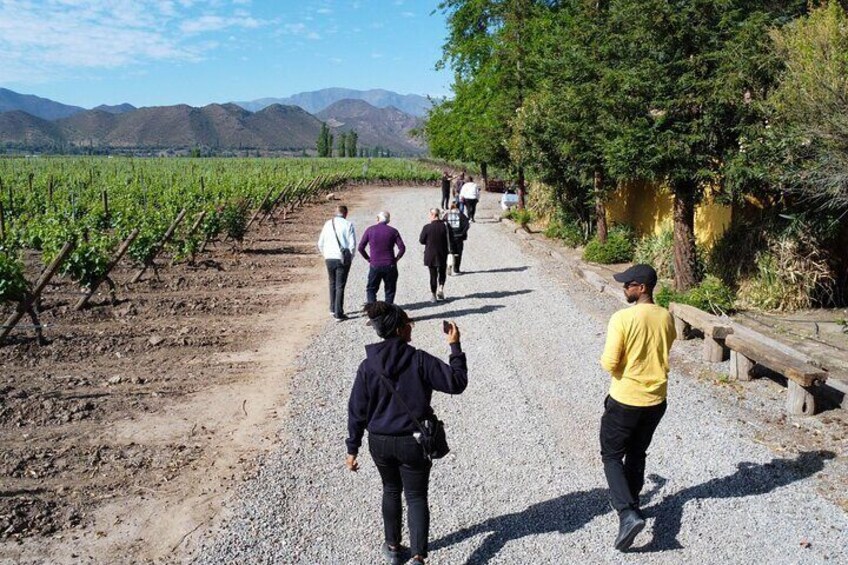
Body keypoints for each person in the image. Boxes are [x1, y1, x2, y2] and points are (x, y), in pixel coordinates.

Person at [346, 302, 468, 565]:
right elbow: (457, 383)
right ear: (401, 330)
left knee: (390, 489)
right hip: (413, 442)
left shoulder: (368, 366)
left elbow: (357, 410)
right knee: (416, 496)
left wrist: (352, 448)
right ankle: (417, 557)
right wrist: (454, 346)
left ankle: (392, 548)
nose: (411, 327)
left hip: (379, 441)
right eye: (409, 323)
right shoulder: (419, 359)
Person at [599, 264, 676, 551]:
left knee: (611, 455)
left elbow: (609, 363)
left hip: (625, 399)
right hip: (656, 400)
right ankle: (633, 504)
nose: (624, 288)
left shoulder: (622, 318)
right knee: (637, 452)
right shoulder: (667, 318)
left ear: (641, 288)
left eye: (627, 284)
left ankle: (627, 512)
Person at [317, 205, 356, 321]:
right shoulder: (348, 225)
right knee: (340, 285)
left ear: (336, 212)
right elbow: (352, 245)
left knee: (332, 283)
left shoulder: (328, 224)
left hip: (329, 258)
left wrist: (326, 254)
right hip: (342, 258)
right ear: (346, 214)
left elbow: (320, 243)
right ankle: (339, 313)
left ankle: (332, 308)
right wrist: (350, 257)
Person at [359, 211, 406, 305]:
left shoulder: (370, 230)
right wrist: (397, 258)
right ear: (388, 220)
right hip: (390, 264)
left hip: (375, 264)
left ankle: (373, 311)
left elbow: (360, 248)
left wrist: (368, 259)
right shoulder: (393, 231)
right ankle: (388, 310)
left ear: (377, 219)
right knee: (390, 289)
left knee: (371, 289)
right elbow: (402, 248)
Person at [419, 208, 450, 302]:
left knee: (433, 275)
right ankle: (440, 287)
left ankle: (433, 295)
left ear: (433, 215)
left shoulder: (426, 227)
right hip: (442, 253)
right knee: (442, 272)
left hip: (430, 254)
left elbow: (421, 240)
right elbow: (449, 239)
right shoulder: (445, 226)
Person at [443, 203, 470, 275]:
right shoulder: (461, 215)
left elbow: (443, 224)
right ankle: (456, 268)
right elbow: (467, 225)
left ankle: (449, 264)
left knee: (450, 252)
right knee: (458, 253)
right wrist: (462, 233)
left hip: (449, 237)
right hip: (459, 237)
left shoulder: (447, 215)